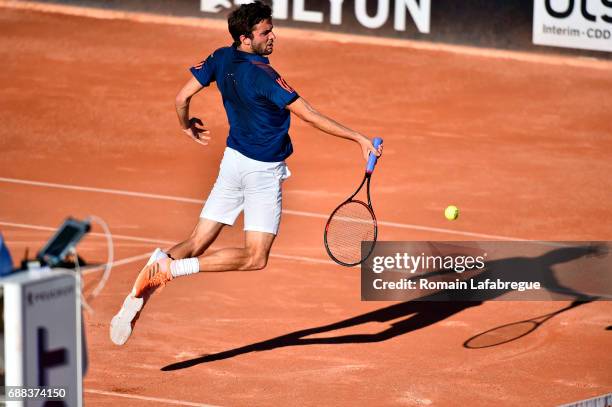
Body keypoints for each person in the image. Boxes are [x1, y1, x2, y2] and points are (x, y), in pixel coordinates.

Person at [110, 0, 382, 346]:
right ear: (245, 37)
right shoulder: (264, 75)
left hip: (232, 162)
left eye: (271, 29)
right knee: (255, 256)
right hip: (261, 173)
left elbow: (181, 98)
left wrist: (186, 126)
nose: (273, 37)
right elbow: (310, 115)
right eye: (265, 32)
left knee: (195, 243)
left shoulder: (221, 57)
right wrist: (358, 138)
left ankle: (137, 297)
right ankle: (169, 269)